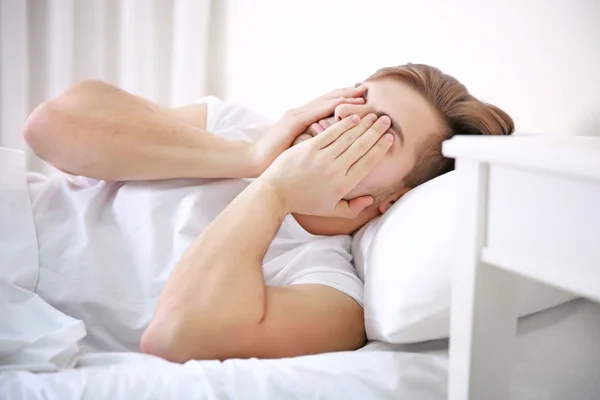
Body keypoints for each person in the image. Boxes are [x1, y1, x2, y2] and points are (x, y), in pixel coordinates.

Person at [18, 63, 514, 363]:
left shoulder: (331, 293)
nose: (344, 116)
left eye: (378, 130)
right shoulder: (240, 128)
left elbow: (175, 337)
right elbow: (49, 126)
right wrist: (250, 160)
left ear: (394, 199)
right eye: (355, 97)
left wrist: (274, 191)